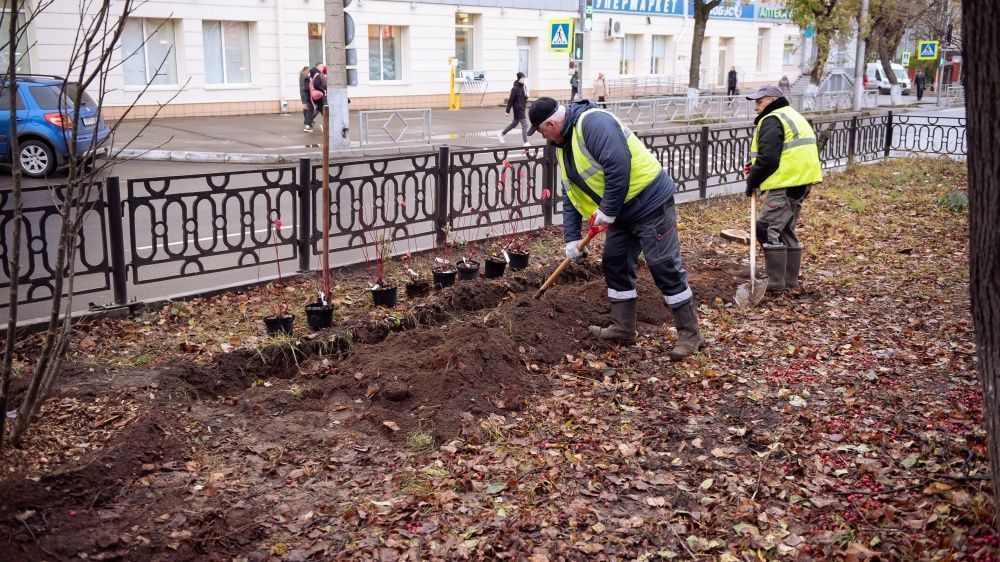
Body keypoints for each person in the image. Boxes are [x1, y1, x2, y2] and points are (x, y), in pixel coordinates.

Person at [526, 96, 704, 360]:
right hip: (622, 213)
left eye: (542, 132)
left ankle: (690, 334)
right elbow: (571, 194)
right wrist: (571, 238)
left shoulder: (594, 123)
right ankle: (623, 328)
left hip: (649, 203)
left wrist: (607, 211)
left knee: (663, 265)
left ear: (551, 124)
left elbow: (618, 166)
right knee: (614, 262)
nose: (545, 138)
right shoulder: (564, 146)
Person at [743, 84, 823, 294]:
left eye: (759, 102)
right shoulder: (791, 115)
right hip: (799, 183)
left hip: (786, 184)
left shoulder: (773, 119)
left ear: (771, 99)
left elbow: (769, 158)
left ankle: (775, 283)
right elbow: (785, 151)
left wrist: (752, 181)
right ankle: (789, 280)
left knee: (766, 229)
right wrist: (754, 168)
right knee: (784, 228)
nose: (756, 107)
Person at [498, 72, 529, 145]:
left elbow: (524, 98)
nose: (523, 79)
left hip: (522, 108)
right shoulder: (515, 89)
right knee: (525, 124)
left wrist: (526, 96)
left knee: (514, 124)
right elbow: (510, 100)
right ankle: (526, 142)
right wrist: (507, 111)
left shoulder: (524, 87)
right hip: (518, 109)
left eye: (524, 78)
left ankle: (501, 134)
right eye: (522, 78)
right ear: (519, 79)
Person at [307, 62, 327, 131]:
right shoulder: (318, 75)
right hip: (318, 95)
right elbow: (316, 85)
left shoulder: (313, 74)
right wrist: (323, 90)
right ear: (317, 66)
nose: (323, 68)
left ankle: (307, 123)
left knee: (318, 109)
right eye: (321, 66)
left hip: (314, 95)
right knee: (321, 109)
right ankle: (307, 123)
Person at [299, 66, 314, 132]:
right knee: (307, 107)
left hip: (303, 94)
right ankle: (307, 120)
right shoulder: (304, 77)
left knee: (306, 107)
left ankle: (307, 120)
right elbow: (306, 86)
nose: (309, 72)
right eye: (308, 70)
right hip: (305, 94)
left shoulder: (302, 76)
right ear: (305, 70)